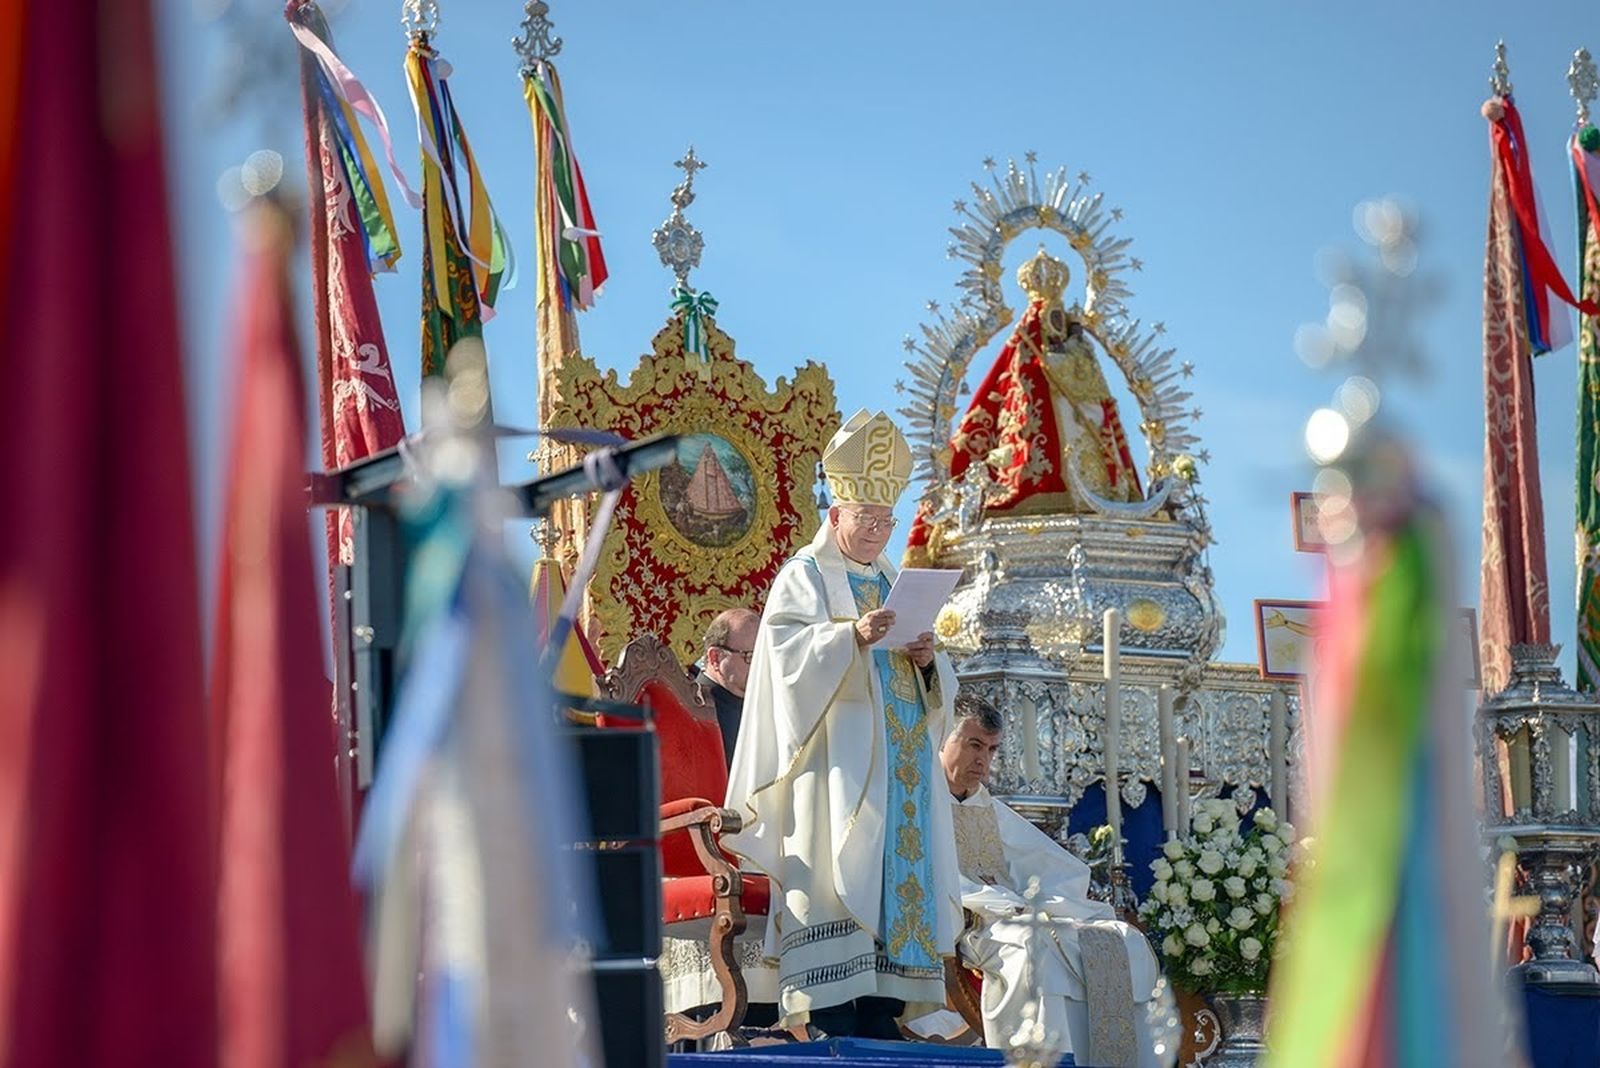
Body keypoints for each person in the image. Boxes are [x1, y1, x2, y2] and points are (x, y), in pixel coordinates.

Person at [723, 409, 963, 1039]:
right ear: (835, 515)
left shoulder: (892, 579)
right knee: (836, 888)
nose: (879, 532)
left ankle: (884, 1012)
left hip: (899, 774)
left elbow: (936, 690)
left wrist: (927, 661)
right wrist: (848, 638)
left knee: (890, 892)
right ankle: (833, 1018)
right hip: (832, 772)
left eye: (887, 521)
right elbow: (781, 663)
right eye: (867, 519)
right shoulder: (802, 576)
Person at [937, 695, 1160, 1065]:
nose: (983, 760)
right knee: (1035, 947)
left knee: (1121, 939)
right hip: (972, 925)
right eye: (974, 745)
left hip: (1013, 914)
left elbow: (1053, 869)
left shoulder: (991, 810)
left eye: (991, 749)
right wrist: (1001, 902)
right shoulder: (920, 805)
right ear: (943, 737)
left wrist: (1045, 902)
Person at [693, 608, 760, 767]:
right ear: (715, 657)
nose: (760, 666)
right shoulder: (694, 711)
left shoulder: (764, 702)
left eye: (763, 656)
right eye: (750, 656)